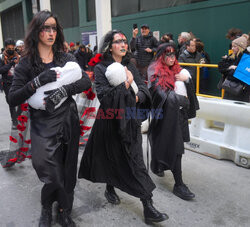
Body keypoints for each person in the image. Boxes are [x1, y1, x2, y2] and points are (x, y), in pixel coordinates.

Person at [8, 10, 91, 227]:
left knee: (68, 169)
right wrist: (36, 82)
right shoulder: (27, 63)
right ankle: (47, 206)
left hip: (68, 119)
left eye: (54, 28)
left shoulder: (65, 56)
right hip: (43, 123)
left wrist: (63, 91)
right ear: (37, 31)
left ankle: (64, 210)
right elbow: (13, 97)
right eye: (46, 28)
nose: (51, 32)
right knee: (50, 170)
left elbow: (85, 82)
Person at [78, 30, 168, 225]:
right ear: (110, 46)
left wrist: (135, 97)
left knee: (135, 161)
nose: (123, 44)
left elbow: (143, 89)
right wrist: (127, 82)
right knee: (112, 157)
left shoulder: (130, 64)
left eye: (125, 41)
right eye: (118, 41)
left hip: (130, 121)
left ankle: (148, 206)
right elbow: (105, 97)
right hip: (110, 121)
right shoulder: (101, 68)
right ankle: (110, 187)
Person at [147, 43, 199, 201]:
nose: (171, 58)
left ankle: (157, 164)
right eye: (167, 54)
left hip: (179, 115)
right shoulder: (154, 70)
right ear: (161, 56)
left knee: (172, 144)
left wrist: (187, 80)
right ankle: (179, 184)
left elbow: (190, 94)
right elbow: (159, 93)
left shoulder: (179, 70)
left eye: (173, 54)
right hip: (165, 116)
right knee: (176, 149)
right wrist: (182, 100)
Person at [218, 34, 249, 102]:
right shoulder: (233, 56)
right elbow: (220, 67)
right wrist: (230, 68)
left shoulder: (246, 58)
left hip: (241, 92)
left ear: (241, 47)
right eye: (232, 46)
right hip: (230, 89)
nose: (232, 48)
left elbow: (238, 76)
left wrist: (228, 70)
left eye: (235, 46)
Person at [0, 38, 21, 129]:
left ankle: (18, 116)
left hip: (18, 81)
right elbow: (1, 70)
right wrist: (11, 63)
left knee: (21, 100)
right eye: (9, 49)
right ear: (5, 48)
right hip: (7, 83)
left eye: (13, 48)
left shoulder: (18, 56)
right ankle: (14, 121)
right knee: (11, 102)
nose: (11, 50)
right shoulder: (1, 58)